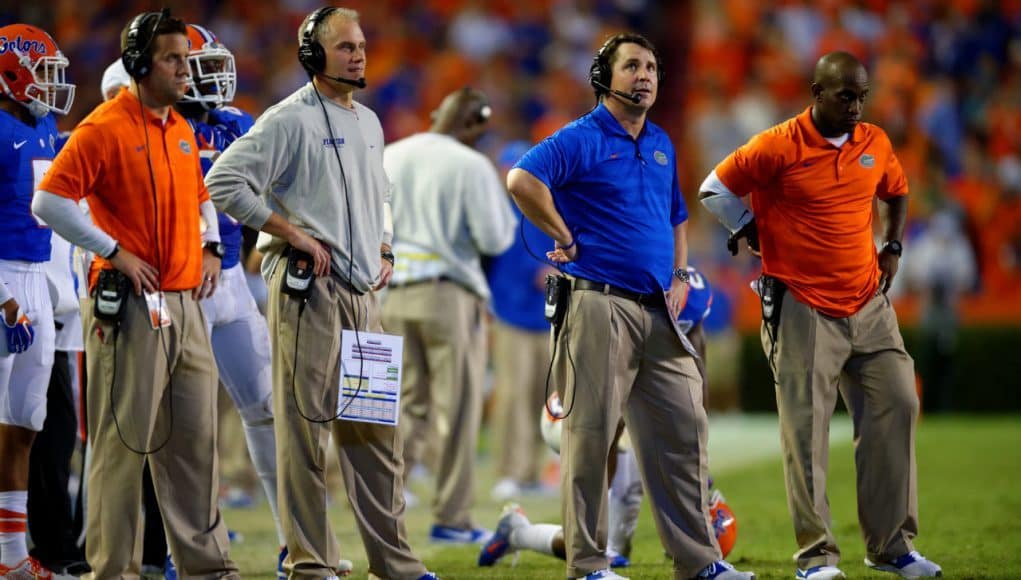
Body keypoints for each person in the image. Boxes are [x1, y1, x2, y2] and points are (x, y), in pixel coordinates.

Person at [506, 32, 754, 580]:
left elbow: (676, 216)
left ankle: (698, 563)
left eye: (652, 68)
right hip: (598, 303)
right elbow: (521, 178)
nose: (646, 76)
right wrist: (563, 237)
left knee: (685, 433)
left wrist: (681, 272)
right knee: (591, 439)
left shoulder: (661, 141)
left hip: (658, 311)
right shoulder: (581, 137)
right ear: (603, 76)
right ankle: (589, 565)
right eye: (633, 66)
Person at [204, 7, 435, 580]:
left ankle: (395, 564)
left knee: (378, 436)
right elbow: (222, 180)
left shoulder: (371, 122)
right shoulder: (287, 119)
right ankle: (310, 563)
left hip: (362, 295)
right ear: (312, 54)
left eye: (360, 45)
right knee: (305, 431)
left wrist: (384, 246)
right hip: (308, 292)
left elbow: (381, 194)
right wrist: (286, 231)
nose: (359, 54)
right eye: (344, 47)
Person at [698, 51, 942, 580]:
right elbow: (713, 188)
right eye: (845, 96)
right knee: (806, 435)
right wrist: (746, 228)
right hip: (801, 303)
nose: (856, 107)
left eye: (862, 97)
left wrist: (892, 247)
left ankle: (891, 547)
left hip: (868, 300)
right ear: (817, 92)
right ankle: (816, 558)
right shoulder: (777, 144)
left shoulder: (874, 142)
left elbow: (896, 193)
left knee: (898, 403)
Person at [32, 10, 240, 578]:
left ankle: (209, 566)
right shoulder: (104, 126)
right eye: (174, 59)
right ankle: (113, 570)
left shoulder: (177, 126)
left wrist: (211, 244)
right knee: (122, 449)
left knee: (197, 447)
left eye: (186, 59)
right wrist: (112, 250)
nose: (184, 70)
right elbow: (48, 201)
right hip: (127, 306)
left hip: (184, 304)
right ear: (140, 64)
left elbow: (201, 193)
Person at [478, 267, 739, 571]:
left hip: (632, 399)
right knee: (600, 535)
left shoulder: (688, 290)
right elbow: (609, 433)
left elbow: (695, 379)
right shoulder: (608, 284)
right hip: (583, 403)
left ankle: (518, 531)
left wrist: (700, 477)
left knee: (625, 531)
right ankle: (523, 533)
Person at [381, 87, 515, 543]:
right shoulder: (471, 164)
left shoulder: (390, 155)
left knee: (403, 410)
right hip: (447, 295)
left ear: (437, 112)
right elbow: (496, 237)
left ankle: (382, 509)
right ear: (476, 124)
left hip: (391, 295)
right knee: (456, 410)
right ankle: (452, 518)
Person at [0, 22, 74, 580]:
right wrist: (3, 301)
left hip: (36, 277)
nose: (52, 86)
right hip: (2, 279)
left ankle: (11, 558)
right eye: (44, 72)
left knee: (26, 420)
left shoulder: (46, 126)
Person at [485, 140, 558, 503]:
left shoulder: (547, 207)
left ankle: (532, 470)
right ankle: (510, 471)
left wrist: (555, 270)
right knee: (512, 396)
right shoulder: (496, 211)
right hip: (511, 315)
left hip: (546, 317)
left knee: (540, 398)